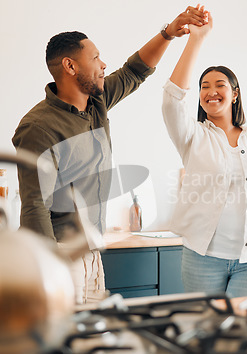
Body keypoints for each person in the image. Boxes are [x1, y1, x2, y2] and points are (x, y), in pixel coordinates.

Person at [12, 6, 208, 304]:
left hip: (91, 253)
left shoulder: (95, 103)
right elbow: (35, 204)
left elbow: (135, 71)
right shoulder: (39, 127)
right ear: (70, 66)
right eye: (95, 58)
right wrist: (49, 268)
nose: (104, 64)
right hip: (61, 255)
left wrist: (169, 33)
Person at [162, 7, 247, 298]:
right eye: (204, 87)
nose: (211, 91)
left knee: (246, 334)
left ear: (235, 94)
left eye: (220, 85)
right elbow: (172, 101)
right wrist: (195, 40)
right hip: (203, 258)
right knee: (206, 335)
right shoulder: (193, 135)